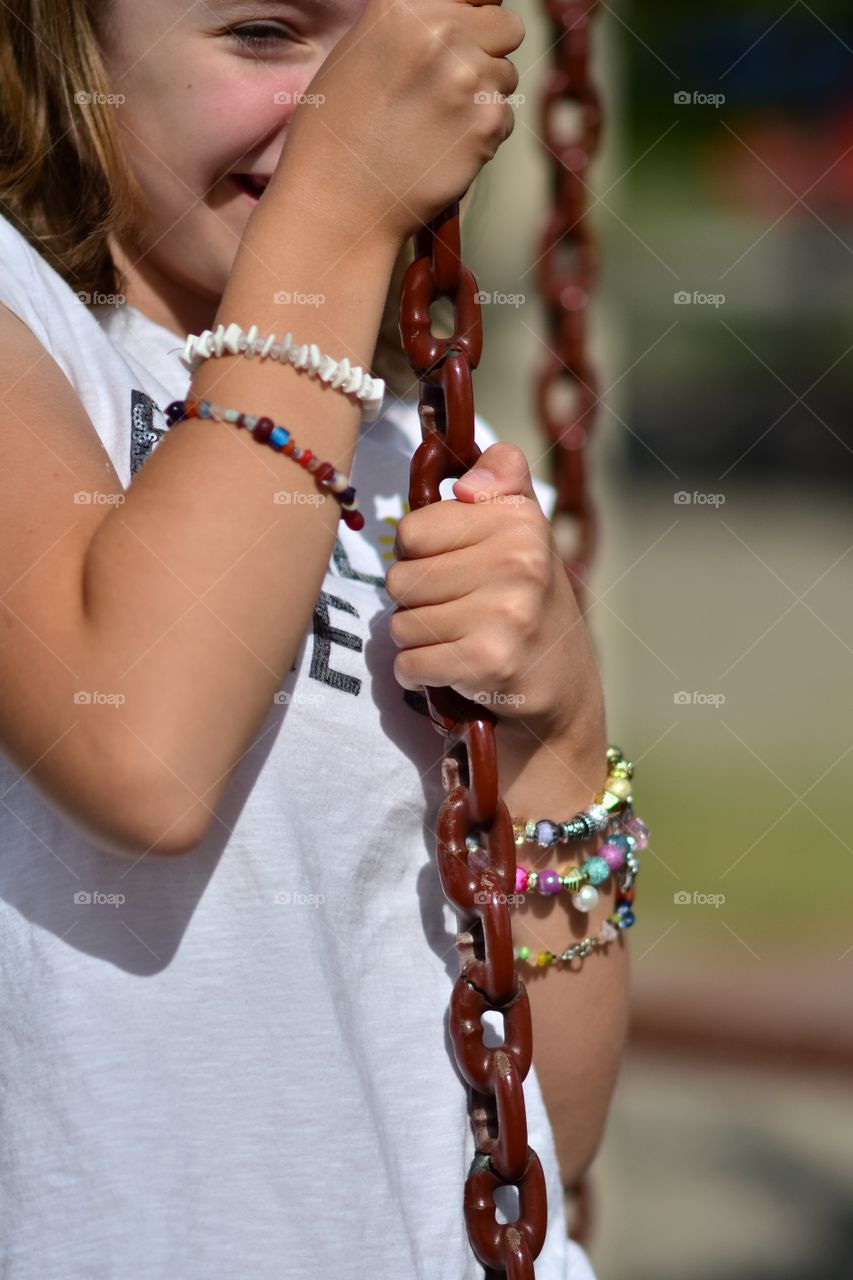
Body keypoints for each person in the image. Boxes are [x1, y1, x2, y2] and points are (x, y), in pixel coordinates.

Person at [0, 0, 629, 1275]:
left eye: (385, 52)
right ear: (70, 47)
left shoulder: (420, 461)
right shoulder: (37, 337)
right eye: (267, 33)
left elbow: (542, 1132)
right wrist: (338, 204)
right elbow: (140, 751)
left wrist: (563, 736)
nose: (359, 102)